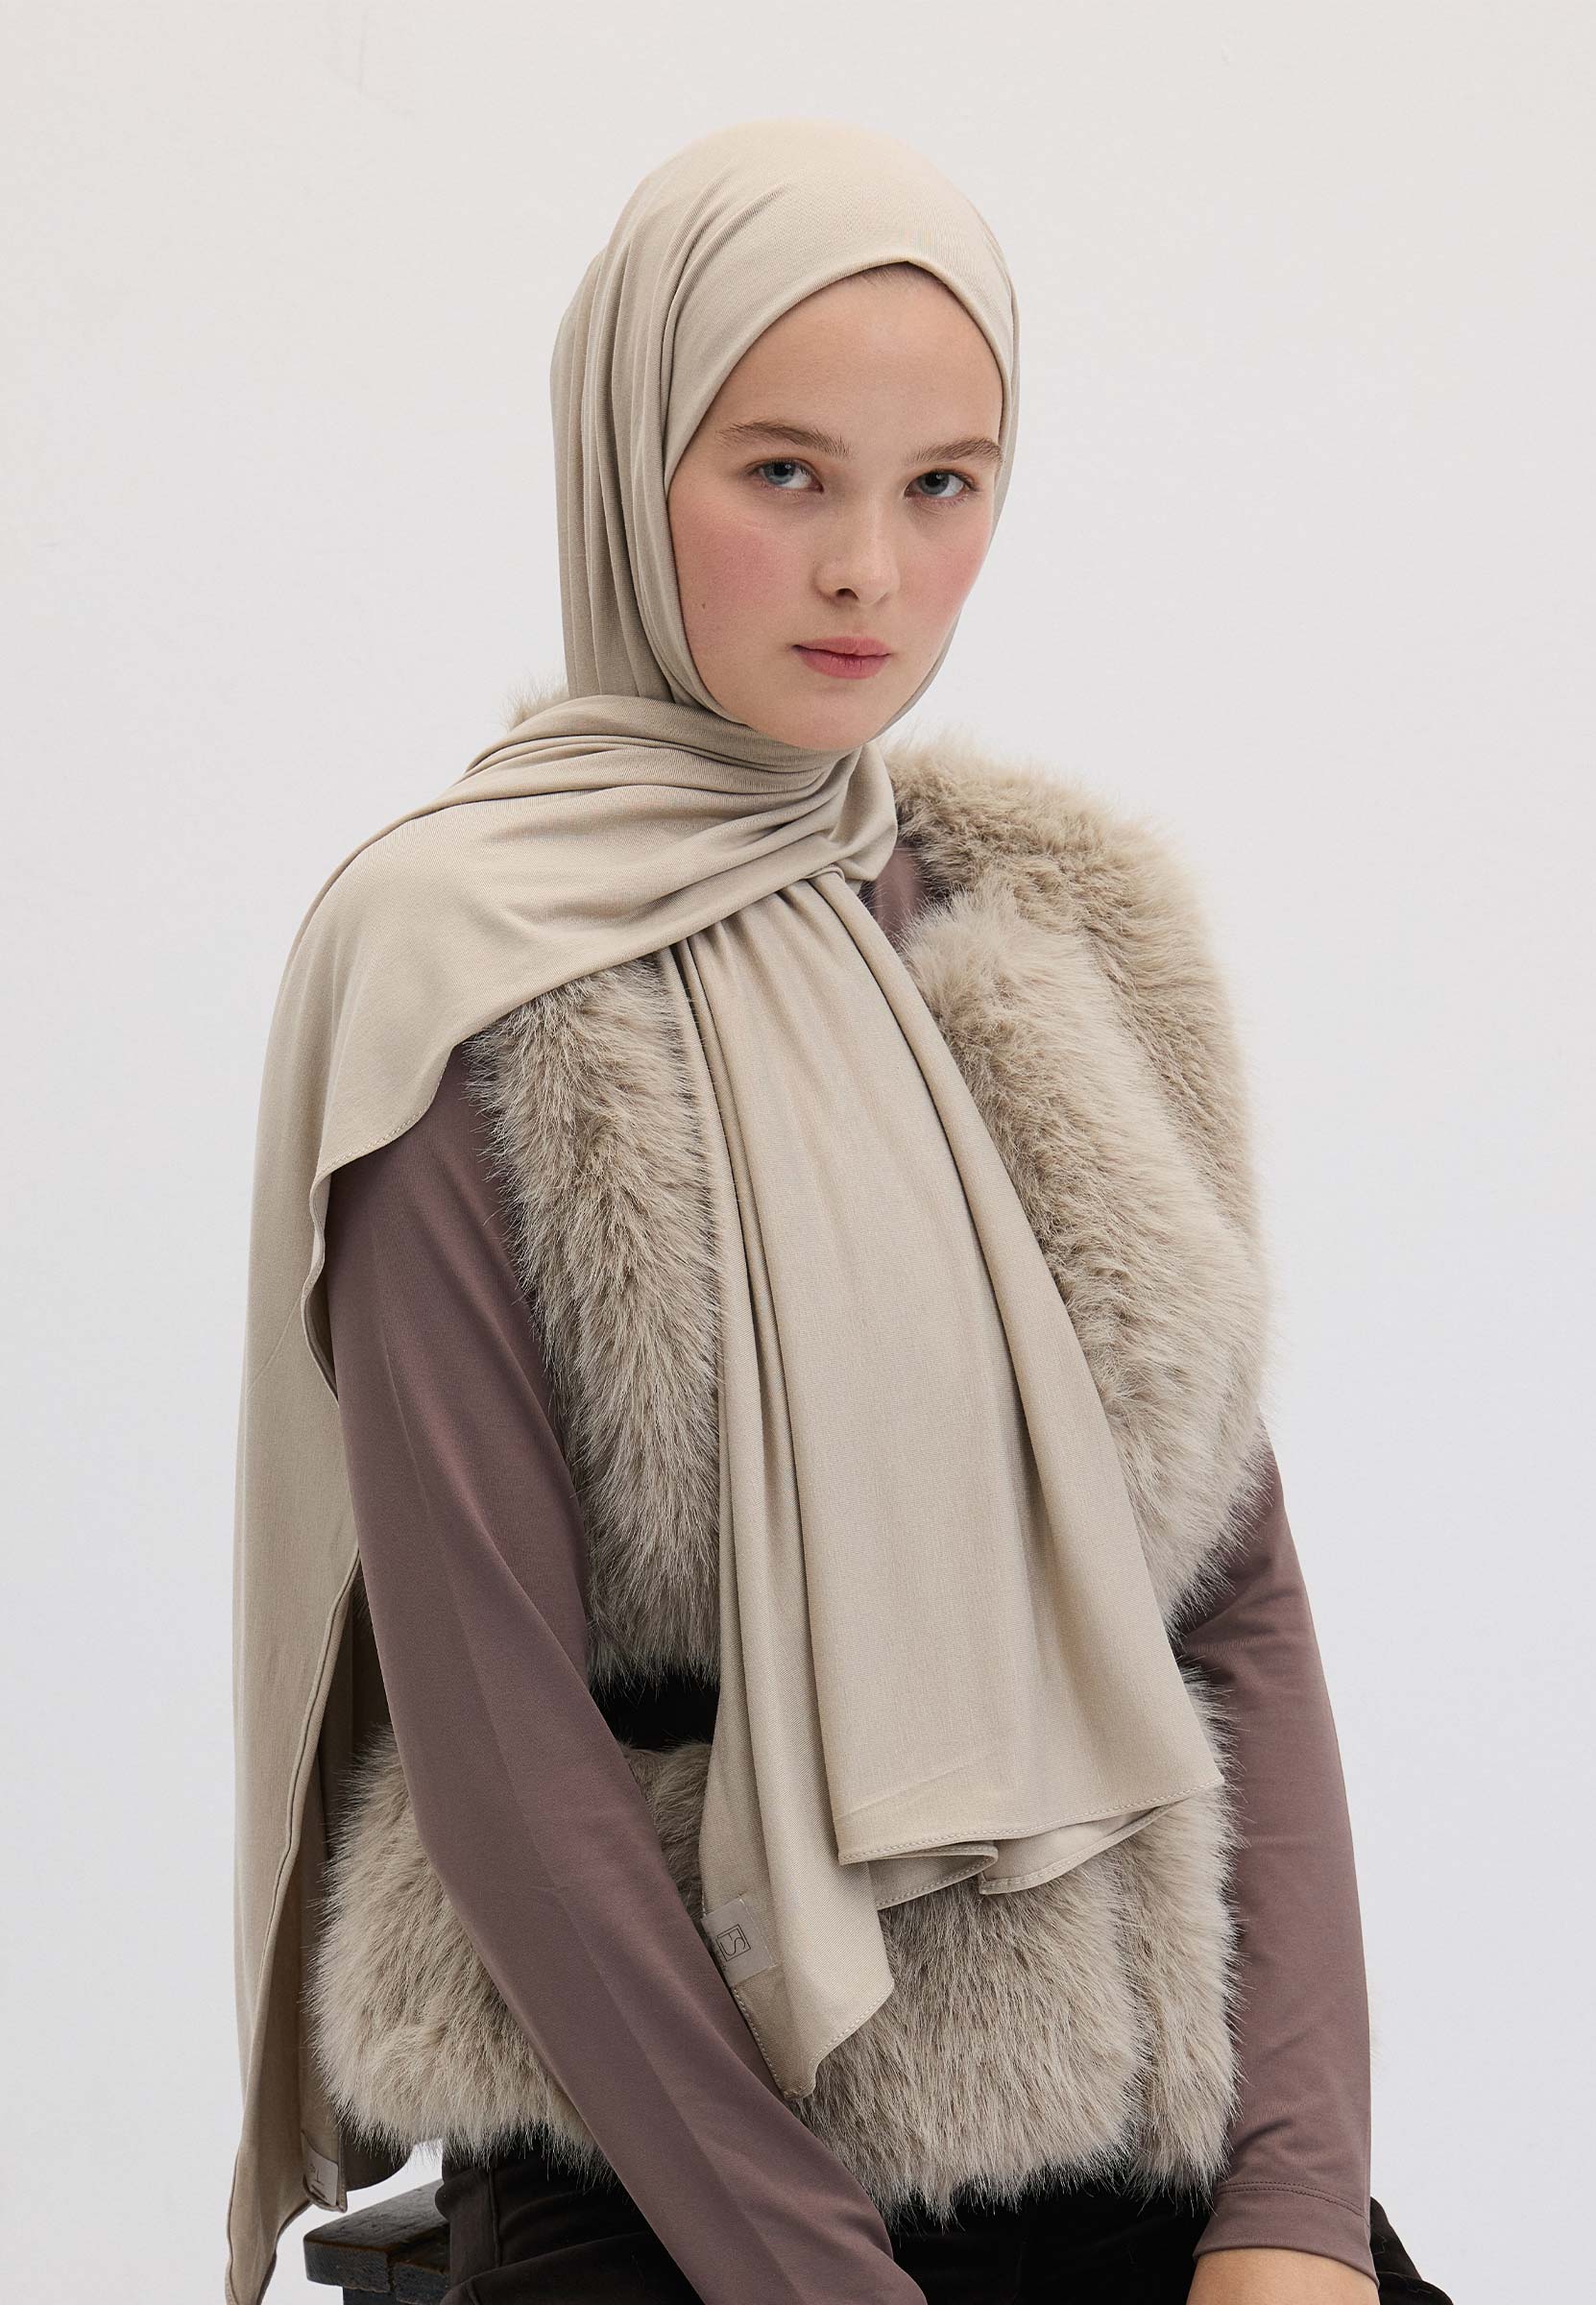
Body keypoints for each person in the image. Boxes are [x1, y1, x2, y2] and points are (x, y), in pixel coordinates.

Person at [228, 119, 1454, 2305]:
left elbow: (1233, 1606)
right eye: (784, 474)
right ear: (629, 465)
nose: (868, 569)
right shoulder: (468, 974)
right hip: (649, 2145)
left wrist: (1291, 2209)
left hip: (1119, 2113)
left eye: (943, 484)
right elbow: (499, 1738)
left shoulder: (1065, 912)